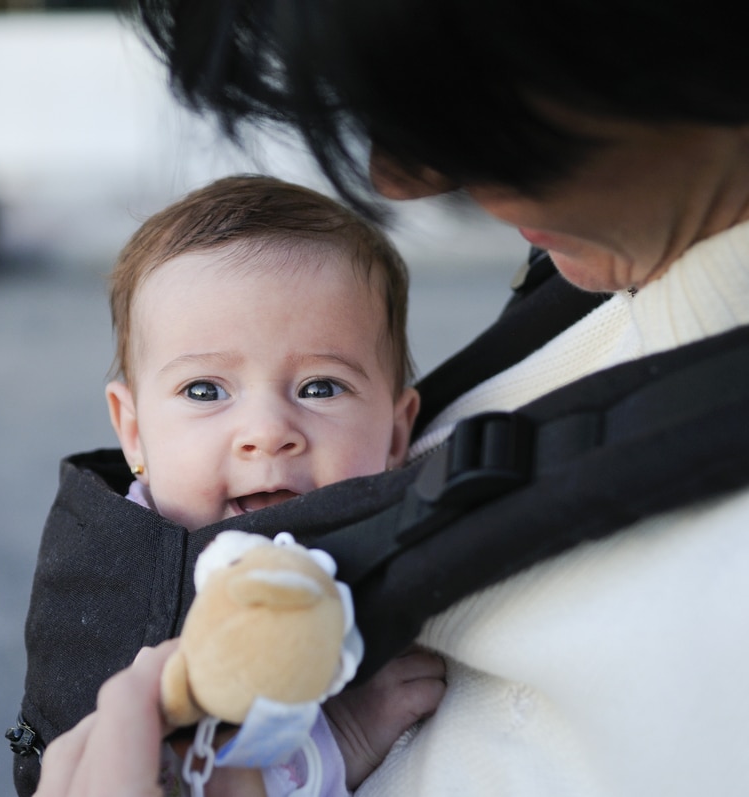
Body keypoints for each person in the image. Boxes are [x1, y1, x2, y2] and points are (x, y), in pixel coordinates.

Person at [23, 1, 749, 795]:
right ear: (128, 424)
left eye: (467, 100)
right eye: (206, 389)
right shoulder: (606, 268)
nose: (400, 179)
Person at [34, 174, 447, 796]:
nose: (267, 432)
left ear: (396, 431)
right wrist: (347, 740)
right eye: (205, 391)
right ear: (135, 431)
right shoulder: (119, 582)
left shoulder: (404, 536)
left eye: (321, 387)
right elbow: (195, 770)